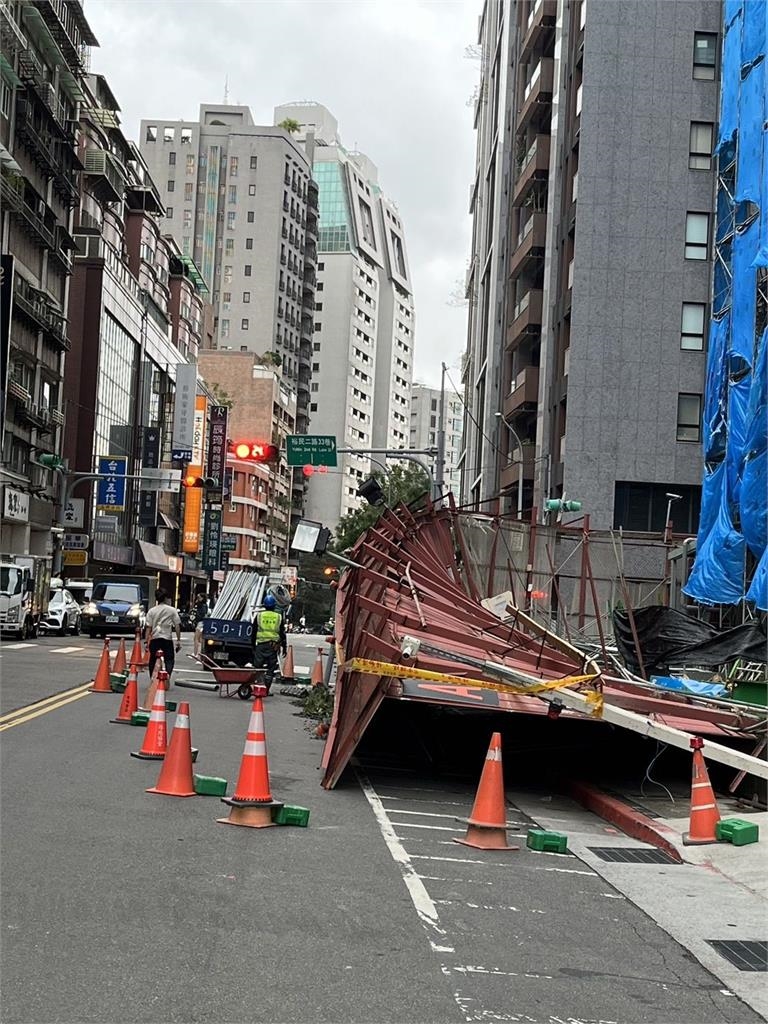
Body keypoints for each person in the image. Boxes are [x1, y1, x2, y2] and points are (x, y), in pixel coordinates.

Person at [144, 588, 182, 684]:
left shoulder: (152, 611)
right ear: (165, 598)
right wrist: (178, 640)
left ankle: (153, 678)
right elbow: (177, 625)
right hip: (167, 638)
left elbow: (148, 627)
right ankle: (167, 675)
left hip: (155, 638)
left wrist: (146, 641)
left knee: (153, 659)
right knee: (169, 659)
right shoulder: (172, 610)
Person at [251, 593, 287, 695]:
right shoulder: (278, 617)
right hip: (273, 646)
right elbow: (282, 633)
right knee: (271, 668)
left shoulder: (259, 616)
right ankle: (266, 690)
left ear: (264, 605)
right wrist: (284, 647)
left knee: (258, 667)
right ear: (274, 606)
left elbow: (253, 633)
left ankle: (259, 687)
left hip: (261, 645)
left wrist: (253, 645)